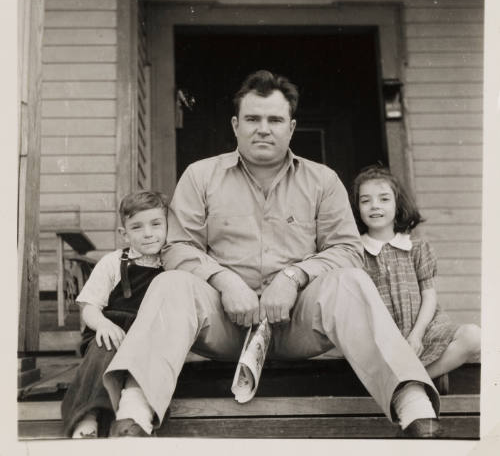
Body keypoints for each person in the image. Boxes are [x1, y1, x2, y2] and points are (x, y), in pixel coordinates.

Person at [103, 70, 441, 438]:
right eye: (252, 119)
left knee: (350, 279)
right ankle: (134, 414)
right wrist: (224, 280)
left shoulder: (322, 180)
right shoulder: (200, 176)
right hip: (224, 322)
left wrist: (294, 277)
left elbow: (347, 249)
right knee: (171, 284)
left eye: (275, 120)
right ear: (235, 124)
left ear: (291, 127)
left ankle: (413, 408)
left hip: (298, 323)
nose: (263, 128)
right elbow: (176, 247)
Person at [351, 165, 481, 380]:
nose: (375, 206)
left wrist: (417, 335)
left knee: (474, 336)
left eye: (384, 199)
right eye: (366, 200)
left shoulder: (417, 248)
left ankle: (414, 380)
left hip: (423, 329)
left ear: (397, 204)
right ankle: (418, 380)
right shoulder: (355, 252)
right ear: (357, 207)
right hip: (381, 338)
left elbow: (429, 295)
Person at [61, 190, 168, 438]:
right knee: (103, 349)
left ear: (167, 225)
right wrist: (102, 325)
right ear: (124, 233)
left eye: (156, 224)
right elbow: (89, 306)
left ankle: (132, 419)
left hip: (149, 334)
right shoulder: (113, 262)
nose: (148, 233)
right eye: (137, 227)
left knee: (150, 359)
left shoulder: (171, 261)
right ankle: (86, 417)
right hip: (113, 329)